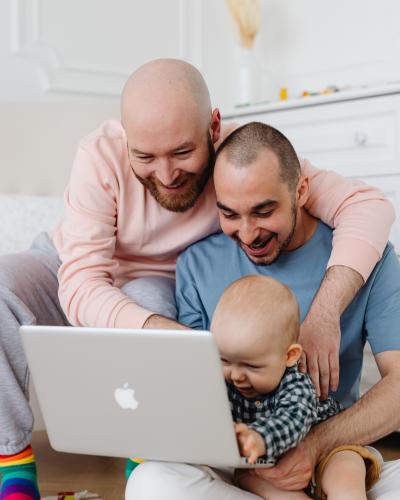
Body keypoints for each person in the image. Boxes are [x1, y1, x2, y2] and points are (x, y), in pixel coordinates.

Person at [0, 59, 395, 500]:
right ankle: (13, 462)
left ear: (213, 127)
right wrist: (169, 336)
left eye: (183, 153)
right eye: (145, 157)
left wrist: (324, 312)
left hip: (151, 282)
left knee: (149, 302)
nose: (167, 175)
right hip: (72, 263)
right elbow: (79, 282)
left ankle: (147, 455)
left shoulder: (245, 157)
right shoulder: (100, 155)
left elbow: (368, 205)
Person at [125, 121, 400, 499]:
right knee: (150, 484)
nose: (248, 233)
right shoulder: (196, 264)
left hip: (335, 449)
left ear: (301, 190)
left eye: (263, 211)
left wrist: (315, 445)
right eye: (230, 214)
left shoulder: (363, 256)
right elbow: (196, 385)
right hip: (241, 465)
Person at [211, 274, 382, 500]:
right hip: (270, 465)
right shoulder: (225, 382)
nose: (236, 375)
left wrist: (260, 438)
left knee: (345, 470)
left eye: (252, 366)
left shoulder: (297, 383)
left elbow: (293, 419)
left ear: (290, 356)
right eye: (224, 360)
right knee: (247, 477)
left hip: (327, 450)